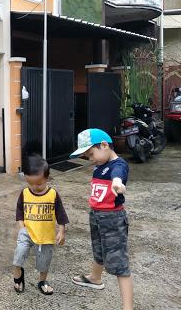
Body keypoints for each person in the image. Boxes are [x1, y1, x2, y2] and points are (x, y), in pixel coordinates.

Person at [70, 129, 132, 310]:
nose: (90, 159)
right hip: (96, 215)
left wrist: (117, 183)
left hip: (112, 219)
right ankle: (95, 278)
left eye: (91, 154)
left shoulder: (118, 165)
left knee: (119, 262)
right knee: (98, 249)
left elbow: (117, 175)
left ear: (104, 145)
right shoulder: (100, 164)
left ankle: (128, 307)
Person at [12, 154, 68, 295]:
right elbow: (19, 210)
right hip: (27, 232)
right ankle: (18, 276)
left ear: (47, 178)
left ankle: (42, 281)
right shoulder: (24, 193)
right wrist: (20, 225)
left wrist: (61, 231)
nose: (34, 187)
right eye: (30, 183)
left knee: (44, 262)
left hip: (45, 236)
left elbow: (60, 214)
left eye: (38, 184)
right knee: (18, 255)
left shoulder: (53, 194)